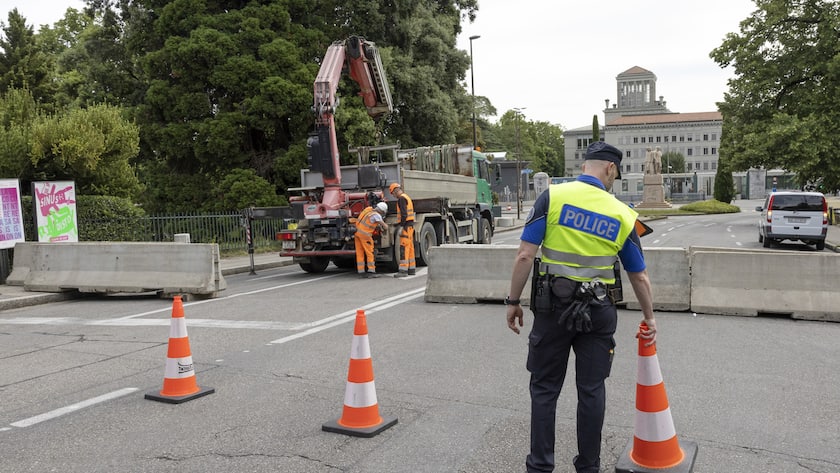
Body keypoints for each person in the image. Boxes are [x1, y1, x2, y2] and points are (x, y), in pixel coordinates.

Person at [504, 141, 657, 473]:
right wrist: (649, 317)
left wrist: (514, 301)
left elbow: (525, 255)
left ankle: (540, 466)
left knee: (544, 388)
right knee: (591, 390)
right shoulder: (623, 213)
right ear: (610, 169)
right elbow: (639, 275)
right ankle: (588, 466)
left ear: (586, 165)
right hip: (598, 311)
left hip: (552, 309)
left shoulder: (553, 197)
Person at [388, 182, 416, 277]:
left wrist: (401, 226)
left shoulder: (401, 199)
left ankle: (403, 270)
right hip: (410, 225)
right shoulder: (406, 197)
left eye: (393, 194)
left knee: (403, 247)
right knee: (410, 248)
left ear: (395, 191)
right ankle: (411, 269)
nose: (393, 196)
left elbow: (404, 214)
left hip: (406, 226)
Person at [354, 201, 388, 278]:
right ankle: (371, 271)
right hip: (365, 235)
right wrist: (385, 226)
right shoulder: (376, 216)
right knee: (370, 253)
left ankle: (361, 271)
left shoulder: (368, 210)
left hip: (357, 233)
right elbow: (385, 226)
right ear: (381, 211)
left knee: (360, 253)